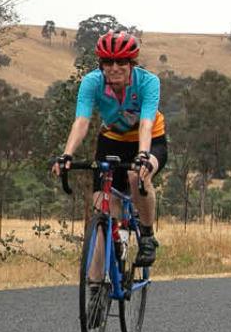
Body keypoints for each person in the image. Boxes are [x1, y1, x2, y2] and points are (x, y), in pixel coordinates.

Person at [49, 30, 167, 266]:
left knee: (137, 176)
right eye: (107, 62)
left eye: (121, 61)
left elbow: (145, 123)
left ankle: (147, 235)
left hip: (150, 139)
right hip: (112, 139)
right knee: (102, 204)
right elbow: (82, 121)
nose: (114, 67)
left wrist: (143, 155)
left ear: (131, 63)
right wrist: (67, 155)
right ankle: (96, 285)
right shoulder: (92, 82)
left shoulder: (148, 82)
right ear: (101, 64)